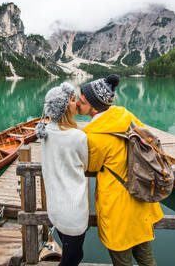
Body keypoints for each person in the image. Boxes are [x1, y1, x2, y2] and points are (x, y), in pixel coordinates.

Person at [76, 74, 163, 266]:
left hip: (118, 208)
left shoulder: (94, 136)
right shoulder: (125, 116)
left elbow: (90, 166)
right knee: (146, 257)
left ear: (93, 106)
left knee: (122, 260)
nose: (77, 103)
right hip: (140, 198)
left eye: (81, 101)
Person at [35, 82, 89, 266]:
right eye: (73, 100)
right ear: (65, 107)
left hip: (55, 209)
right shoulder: (78, 137)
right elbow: (86, 165)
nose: (77, 104)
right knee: (74, 258)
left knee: (71, 254)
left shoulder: (45, 133)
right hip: (74, 211)